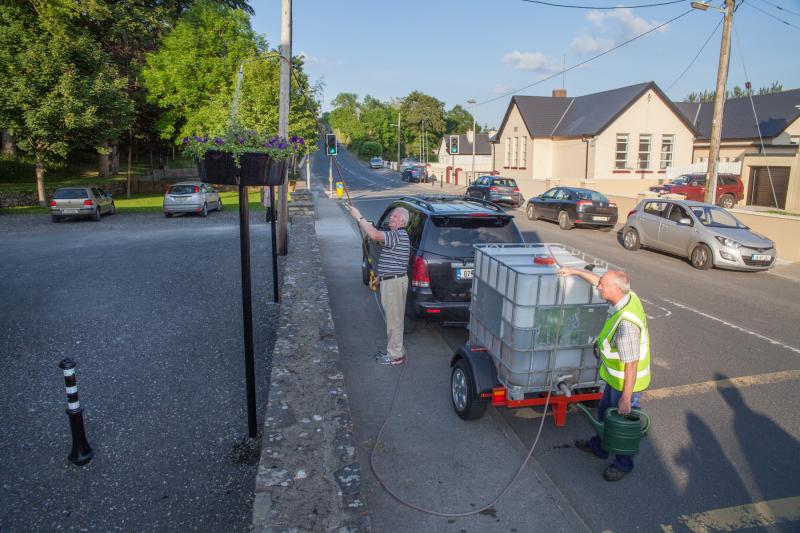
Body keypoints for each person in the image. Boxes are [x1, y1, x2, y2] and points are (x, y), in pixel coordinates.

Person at [556, 267, 651, 482]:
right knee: (604, 412)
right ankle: (600, 447)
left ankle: (623, 464)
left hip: (626, 383)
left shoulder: (626, 324)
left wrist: (626, 397)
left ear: (616, 289)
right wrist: (575, 271)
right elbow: (597, 280)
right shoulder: (628, 296)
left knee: (621, 424)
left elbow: (631, 364)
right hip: (614, 379)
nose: (598, 287)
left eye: (602, 286)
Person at [347, 204, 411, 366]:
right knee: (393, 319)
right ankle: (394, 350)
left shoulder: (398, 235)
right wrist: (380, 277)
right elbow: (395, 261)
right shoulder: (396, 236)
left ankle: (395, 356)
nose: (391, 217)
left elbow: (375, 235)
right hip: (391, 281)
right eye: (392, 215)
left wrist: (358, 216)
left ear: (402, 222)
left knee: (394, 321)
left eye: (395, 216)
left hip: (394, 284)